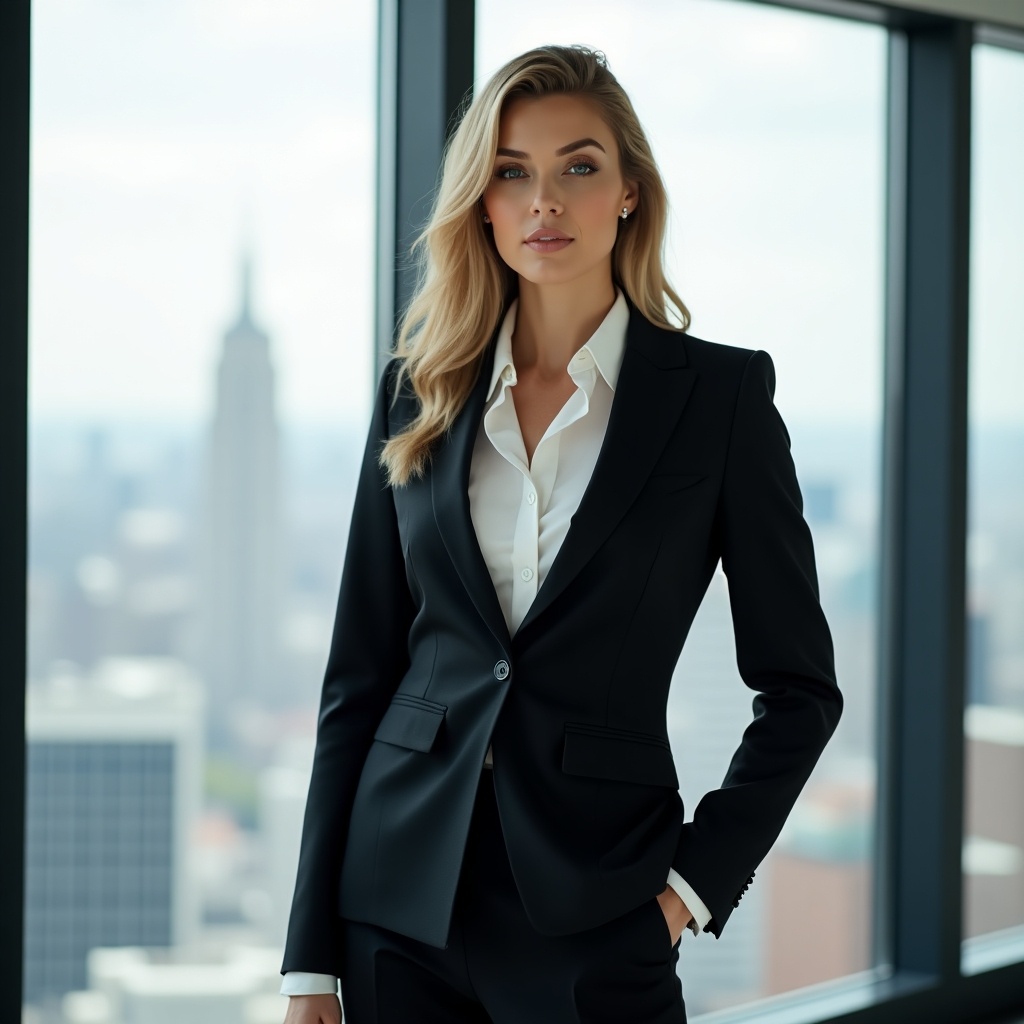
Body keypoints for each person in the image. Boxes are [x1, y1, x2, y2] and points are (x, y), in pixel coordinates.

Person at [279, 43, 843, 1024]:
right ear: (482, 203)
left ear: (628, 191)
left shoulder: (718, 400)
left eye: (578, 167)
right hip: (395, 907)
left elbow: (800, 690)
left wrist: (688, 891)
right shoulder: (417, 393)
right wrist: (307, 964)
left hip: (597, 913)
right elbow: (357, 680)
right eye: (512, 172)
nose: (544, 201)